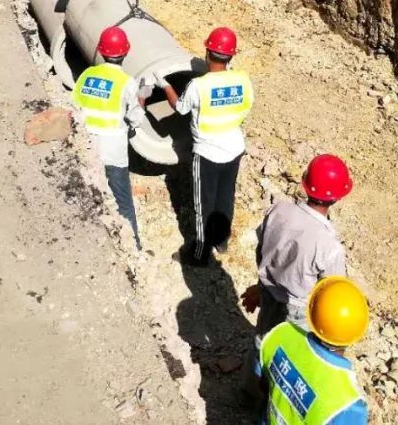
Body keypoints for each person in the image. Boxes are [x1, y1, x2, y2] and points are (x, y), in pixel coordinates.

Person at [157, 26, 253, 266]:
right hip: (234, 150)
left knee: (203, 206)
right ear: (231, 55)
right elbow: (244, 110)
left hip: (208, 154)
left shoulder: (198, 86)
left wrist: (165, 84)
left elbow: (180, 108)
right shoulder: (243, 80)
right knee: (225, 197)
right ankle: (221, 241)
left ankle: (200, 255)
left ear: (208, 53)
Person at [243, 154, 353, 332]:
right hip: (297, 312)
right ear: (337, 197)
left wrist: (261, 286)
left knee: (262, 340)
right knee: (289, 353)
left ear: (305, 183)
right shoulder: (330, 248)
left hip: (268, 292)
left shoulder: (278, 210)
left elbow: (261, 251)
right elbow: (332, 296)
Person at [71, 27, 150, 248]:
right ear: (125, 53)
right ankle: (134, 245)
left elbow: (75, 106)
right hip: (113, 151)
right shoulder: (127, 83)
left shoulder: (86, 75)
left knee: (88, 195)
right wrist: (142, 97)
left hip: (86, 146)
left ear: (100, 50)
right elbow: (136, 120)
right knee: (123, 201)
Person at [256, 276, 369, 424]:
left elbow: (261, 382)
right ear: (356, 334)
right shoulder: (347, 405)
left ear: (311, 311)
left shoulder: (280, 334)